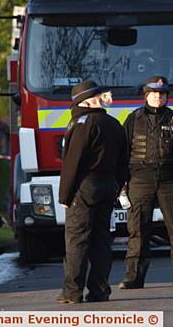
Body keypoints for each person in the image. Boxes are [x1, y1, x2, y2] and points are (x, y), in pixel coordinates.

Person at [119, 75, 173, 290]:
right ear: (146, 95)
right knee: (137, 230)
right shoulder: (133, 118)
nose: (157, 97)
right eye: (153, 93)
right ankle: (133, 278)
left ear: (166, 97)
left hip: (170, 179)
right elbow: (123, 152)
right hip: (139, 180)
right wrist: (122, 182)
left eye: (161, 94)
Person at [57, 80, 128, 303]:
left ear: (82, 102)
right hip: (108, 187)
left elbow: (72, 163)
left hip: (84, 188)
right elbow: (123, 160)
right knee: (101, 241)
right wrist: (117, 185)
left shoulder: (81, 123)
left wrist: (65, 196)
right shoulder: (114, 123)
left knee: (77, 240)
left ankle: (72, 292)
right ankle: (99, 291)